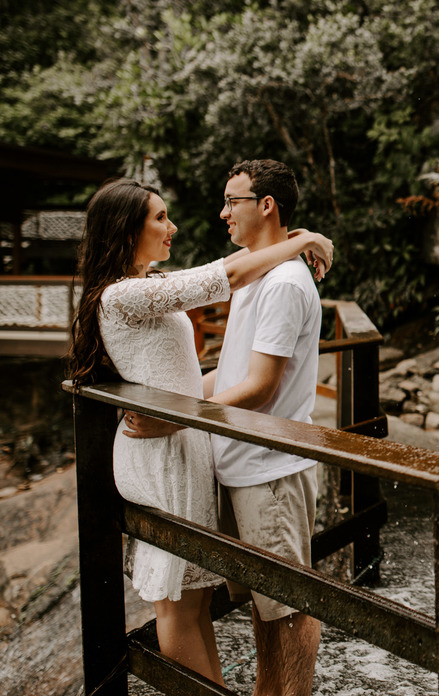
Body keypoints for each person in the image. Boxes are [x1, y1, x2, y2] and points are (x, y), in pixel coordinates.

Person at [68, 177, 333, 685]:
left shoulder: (142, 287)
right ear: (126, 230)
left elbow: (186, 377)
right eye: (160, 218)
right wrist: (300, 239)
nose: (173, 226)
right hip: (163, 455)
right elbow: (223, 277)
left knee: (190, 597)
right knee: (179, 601)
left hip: (179, 445)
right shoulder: (124, 295)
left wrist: (189, 404)